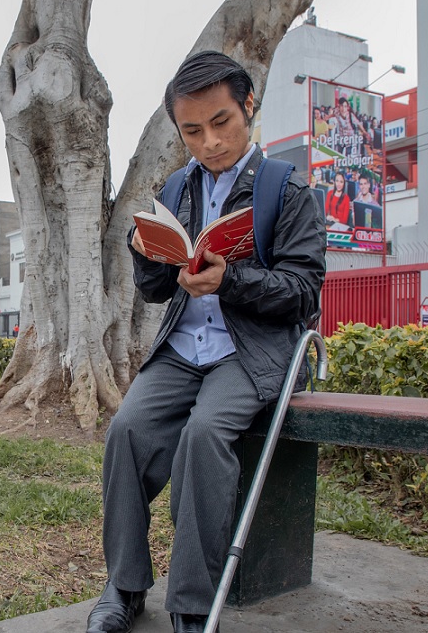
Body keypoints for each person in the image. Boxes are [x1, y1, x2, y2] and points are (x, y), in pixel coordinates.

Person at [87, 51, 326, 633]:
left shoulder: (287, 189)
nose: (210, 142)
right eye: (192, 131)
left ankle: (193, 607)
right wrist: (148, 256)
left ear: (248, 106)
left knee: (204, 435)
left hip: (250, 352)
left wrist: (231, 278)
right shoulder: (176, 188)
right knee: (127, 432)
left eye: (221, 122)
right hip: (184, 348)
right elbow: (155, 291)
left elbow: (303, 291)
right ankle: (124, 586)